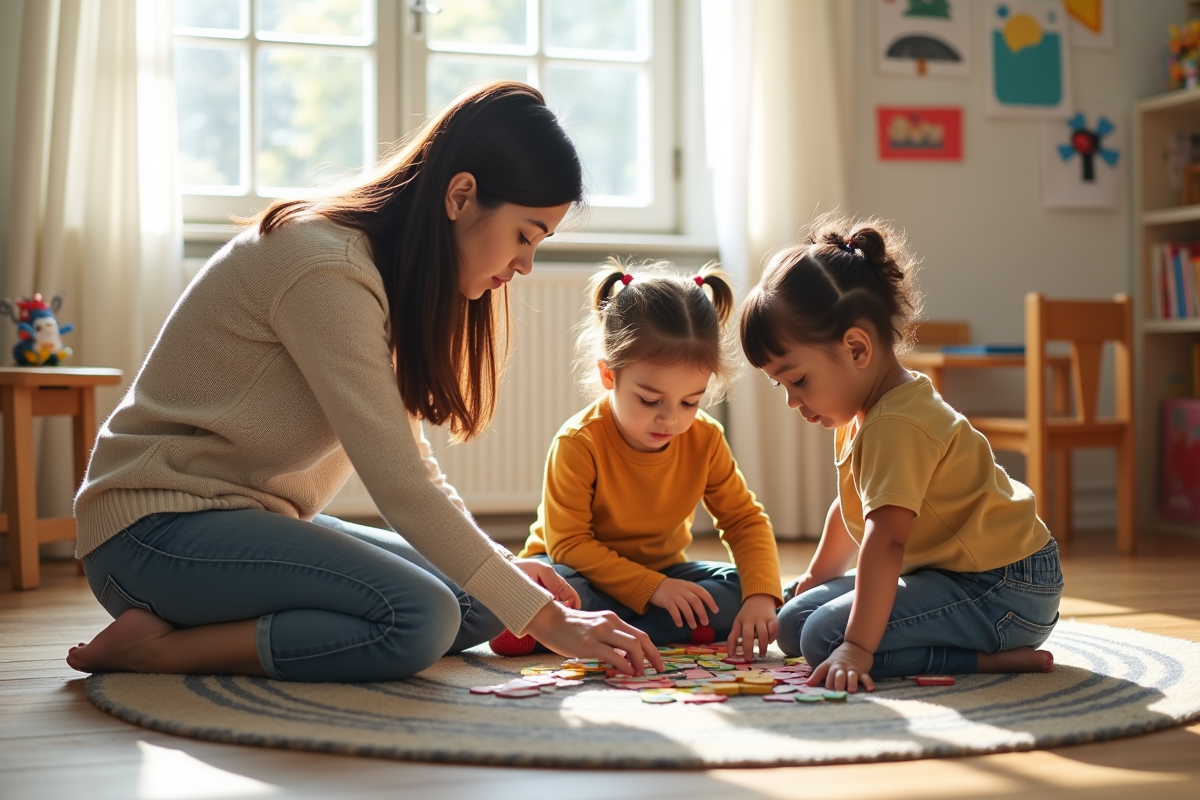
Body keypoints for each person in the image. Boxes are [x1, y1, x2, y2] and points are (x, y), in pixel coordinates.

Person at [66, 82, 664, 683]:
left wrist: (505, 571)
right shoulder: (327, 268)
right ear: (461, 196)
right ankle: (156, 651)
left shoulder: (386, 274)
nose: (525, 264)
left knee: (483, 601)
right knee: (422, 617)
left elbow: (411, 461)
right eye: (524, 236)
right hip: (152, 532)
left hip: (249, 517)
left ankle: (203, 625)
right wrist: (548, 620)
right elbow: (401, 485)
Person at [738, 213, 1062, 693]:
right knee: (793, 623)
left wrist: (857, 647)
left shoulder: (897, 423)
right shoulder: (862, 411)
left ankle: (987, 658)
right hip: (952, 576)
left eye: (798, 379)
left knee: (825, 639)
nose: (792, 400)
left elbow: (885, 540)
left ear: (856, 349)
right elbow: (851, 508)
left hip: (1004, 589)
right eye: (780, 385)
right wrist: (816, 577)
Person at [492, 259, 783, 658]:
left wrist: (760, 597)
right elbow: (569, 544)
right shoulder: (579, 441)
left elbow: (743, 521)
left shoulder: (705, 438)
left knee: (738, 590)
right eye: (649, 400)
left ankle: (604, 629)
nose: (670, 418)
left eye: (689, 402)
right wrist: (654, 590)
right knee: (556, 589)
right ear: (609, 376)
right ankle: (569, 622)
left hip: (663, 572)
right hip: (577, 571)